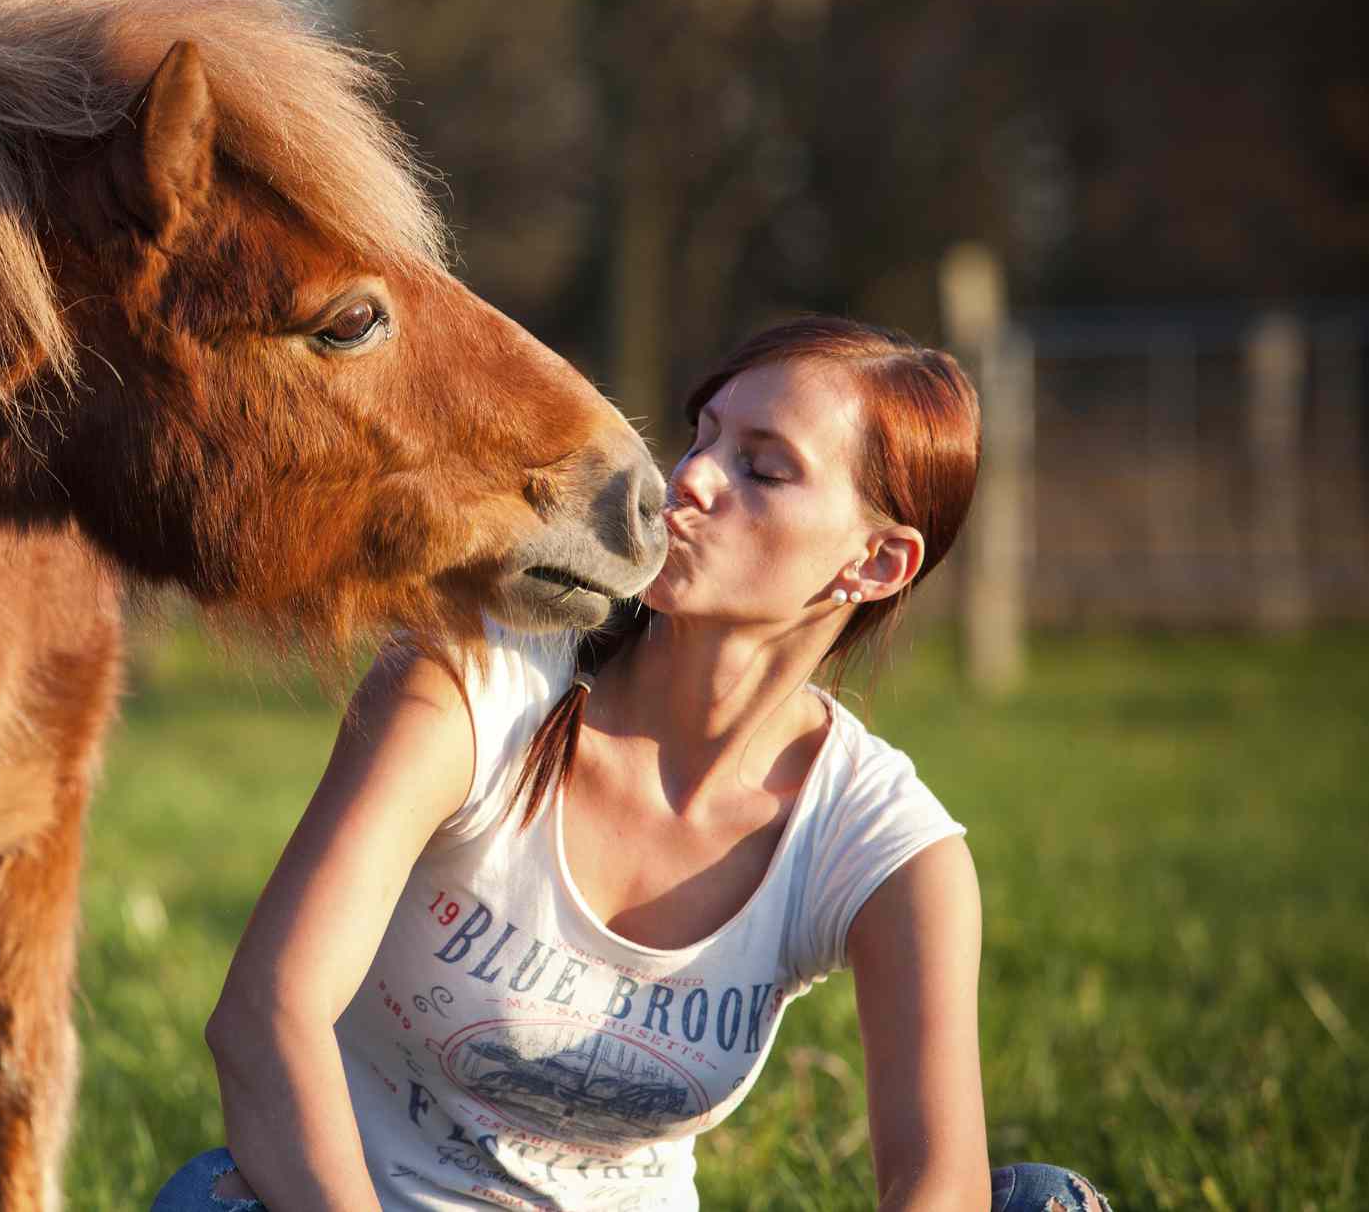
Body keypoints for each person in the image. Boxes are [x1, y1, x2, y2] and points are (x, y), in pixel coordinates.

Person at [151, 316, 1108, 1212]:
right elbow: (265, 1017)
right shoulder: (468, 682)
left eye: (763, 469)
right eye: (703, 437)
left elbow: (938, 1186)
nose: (688, 478)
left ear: (876, 564)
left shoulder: (889, 849)